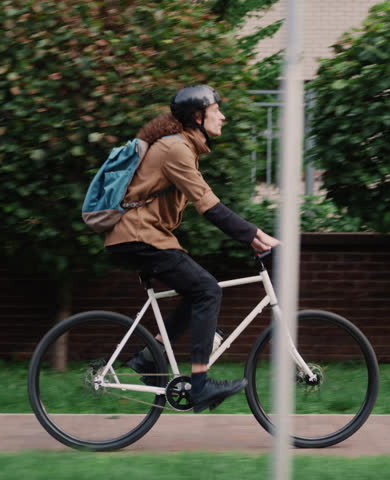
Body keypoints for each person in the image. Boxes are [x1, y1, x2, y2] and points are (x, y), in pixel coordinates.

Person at [105, 85, 279, 413]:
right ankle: (199, 386)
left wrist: (254, 238)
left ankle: (147, 359)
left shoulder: (184, 148)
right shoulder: (175, 149)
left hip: (146, 237)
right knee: (207, 290)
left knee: (197, 292)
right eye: (217, 111)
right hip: (140, 237)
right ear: (198, 117)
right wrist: (259, 236)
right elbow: (209, 206)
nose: (223, 116)